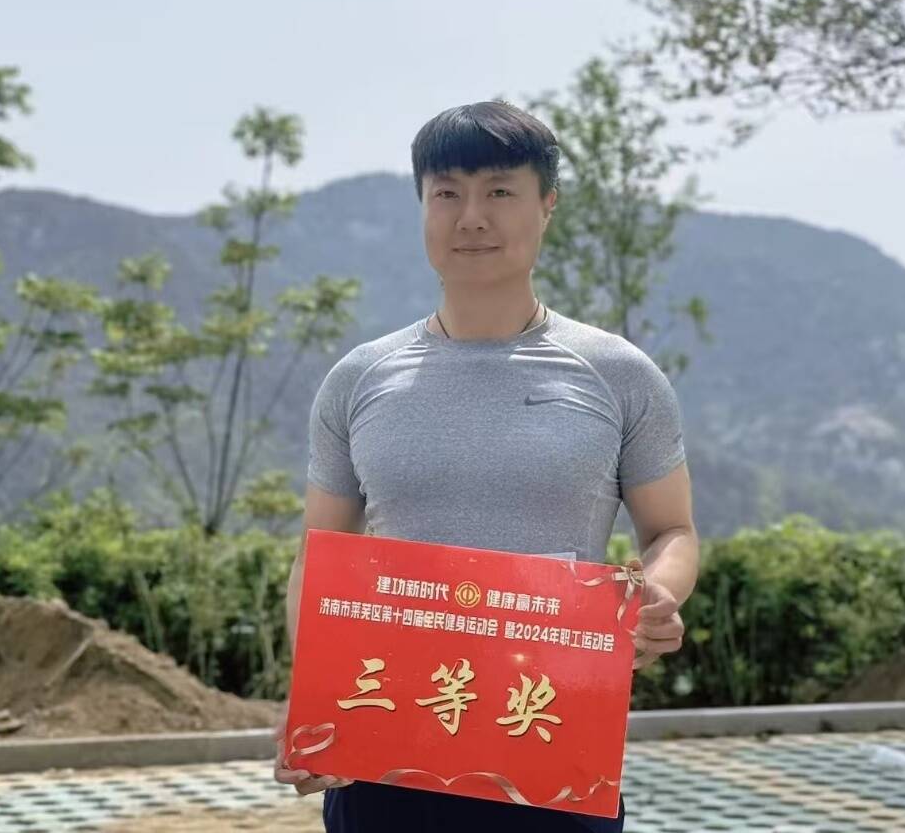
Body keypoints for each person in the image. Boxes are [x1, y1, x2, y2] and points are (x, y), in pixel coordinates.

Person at [273, 100, 699, 833]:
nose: (471, 217)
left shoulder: (618, 374)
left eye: (499, 191)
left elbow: (673, 530)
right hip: (383, 748)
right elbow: (320, 555)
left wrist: (654, 596)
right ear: (422, 206)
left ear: (547, 205)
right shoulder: (359, 378)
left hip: (553, 742)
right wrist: (308, 697)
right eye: (447, 193)